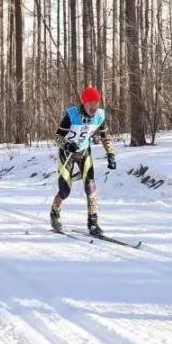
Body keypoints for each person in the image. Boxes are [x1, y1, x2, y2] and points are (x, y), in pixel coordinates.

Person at [51, 86, 117, 236]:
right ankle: (54, 212)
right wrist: (67, 144)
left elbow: (105, 136)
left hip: (84, 152)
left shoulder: (100, 116)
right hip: (67, 153)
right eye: (90, 104)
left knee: (90, 187)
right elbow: (57, 137)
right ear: (84, 103)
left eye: (96, 103)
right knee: (65, 191)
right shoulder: (72, 115)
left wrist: (111, 154)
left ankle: (93, 223)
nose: (94, 107)